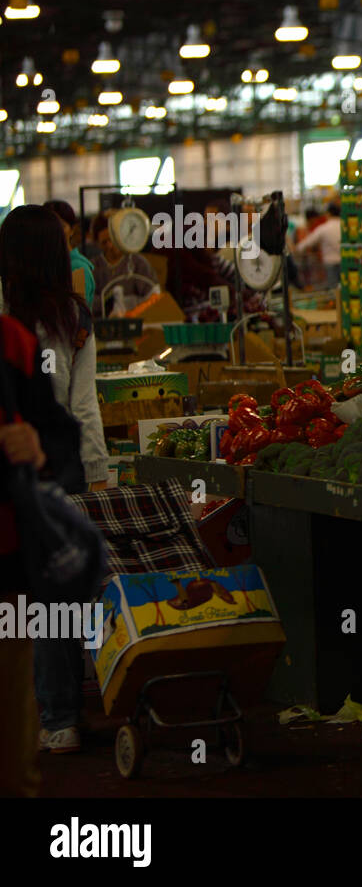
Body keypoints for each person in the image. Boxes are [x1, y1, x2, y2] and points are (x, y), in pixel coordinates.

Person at [0, 205, 110, 757]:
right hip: (66, 472)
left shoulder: (6, 318)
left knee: (33, 600)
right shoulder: (74, 317)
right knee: (65, 593)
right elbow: (85, 408)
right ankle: (70, 710)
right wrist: (99, 474)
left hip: (18, 481)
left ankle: (56, 715)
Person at [0, 310, 85, 793]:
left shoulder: (13, 341)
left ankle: (59, 716)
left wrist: (39, 448)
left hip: (8, 569)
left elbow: (60, 431)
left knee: (12, 758)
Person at [89, 211, 159, 317]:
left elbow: (153, 297)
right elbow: (88, 300)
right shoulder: (94, 267)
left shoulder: (137, 263)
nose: (110, 246)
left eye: (112, 240)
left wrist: (132, 311)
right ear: (97, 243)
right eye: (104, 242)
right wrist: (108, 304)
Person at [43, 201, 96, 307]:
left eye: (61, 226)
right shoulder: (47, 263)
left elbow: (78, 316)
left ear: (72, 230)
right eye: (49, 227)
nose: (55, 232)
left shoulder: (78, 267)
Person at [297, 201, 342, 288]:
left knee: (333, 289)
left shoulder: (324, 228)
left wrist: (298, 248)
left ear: (328, 214)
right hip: (344, 261)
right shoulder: (344, 226)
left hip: (330, 263)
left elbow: (307, 243)